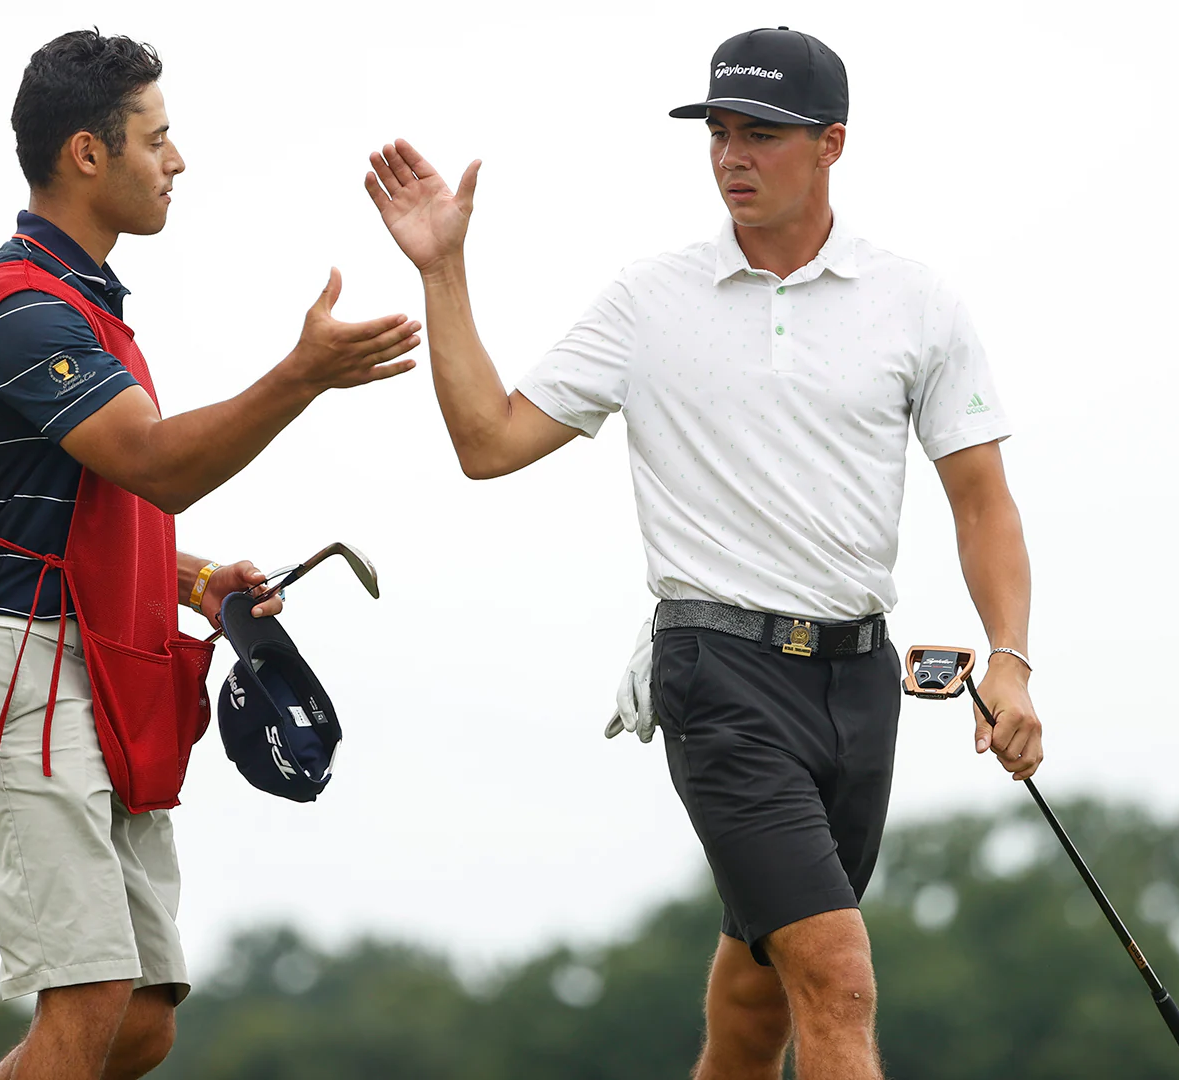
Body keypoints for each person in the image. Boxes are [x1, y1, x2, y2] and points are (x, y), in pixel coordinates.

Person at [365, 26, 1042, 1080]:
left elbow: (982, 502)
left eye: (761, 135)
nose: (732, 155)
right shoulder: (650, 299)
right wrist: (444, 271)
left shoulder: (917, 301)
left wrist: (1010, 656)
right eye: (719, 132)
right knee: (837, 976)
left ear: (831, 144)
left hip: (862, 685)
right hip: (718, 671)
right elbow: (488, 443)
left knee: (757, 993)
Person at [0, 30, 419, 1080]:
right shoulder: (19, 312)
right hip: (15, 673)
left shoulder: (81, 307)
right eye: (158, 137)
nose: (176, 160)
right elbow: (155, 465)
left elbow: (86, 500)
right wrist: (303, 373)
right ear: (89, 154)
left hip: (85, 664)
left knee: (138, 1019)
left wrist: (191, 579)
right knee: (89, 997)